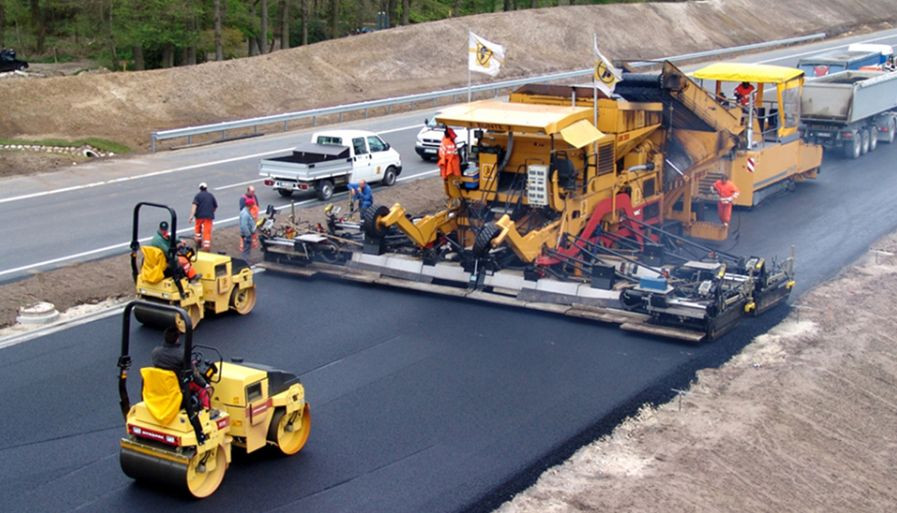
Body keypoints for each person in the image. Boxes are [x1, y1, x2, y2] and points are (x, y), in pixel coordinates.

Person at [152, 327, 211, 410]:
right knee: (201, 388)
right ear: (177, 339)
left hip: (162, 384)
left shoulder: (155, 352)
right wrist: (205, 384)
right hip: (178, 386)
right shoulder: (182, 355)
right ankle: (207, 411)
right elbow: (194, 374)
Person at [189, 182, 217, 251]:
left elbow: (194, 206)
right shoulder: (211, 195)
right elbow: (215, 206)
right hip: (208, 216)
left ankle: (198, 242)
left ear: (200, 188)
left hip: (199, 216)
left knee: (198, 229)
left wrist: (191, 216)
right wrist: (211, 212)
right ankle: (206, 246)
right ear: (206, 188)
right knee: (207, 231)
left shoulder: (197, 196)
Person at [239, 185, 260, 250]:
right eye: (252, 192)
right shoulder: (243, 199)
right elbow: (242, 209)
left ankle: (254, 245)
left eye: (254, 192)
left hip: (254, 219)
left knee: (254, 232)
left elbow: (257, 205)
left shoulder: (254, 196)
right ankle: (242, 246)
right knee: (245, 232)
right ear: (248, 191)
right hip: (247, 219)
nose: (253, 193)